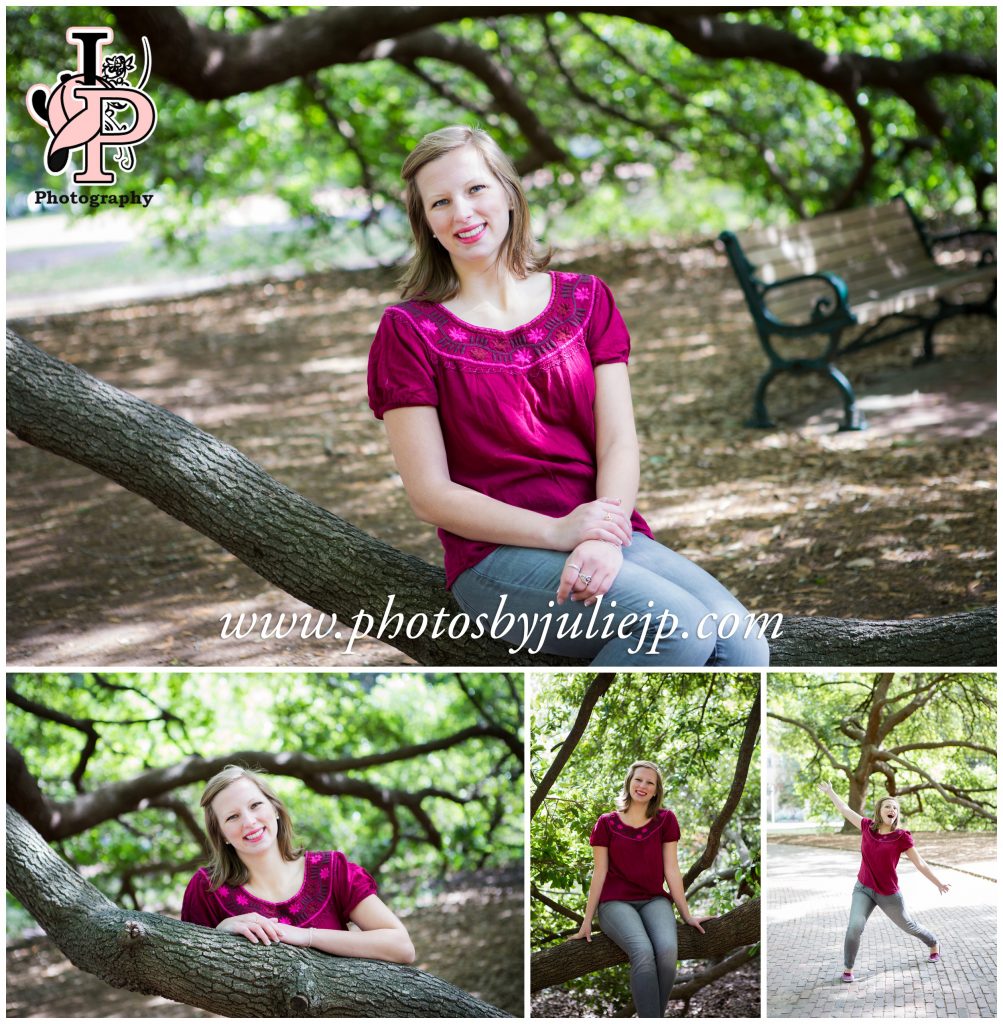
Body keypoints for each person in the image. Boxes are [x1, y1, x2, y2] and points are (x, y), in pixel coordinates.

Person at [367, 124, 770, 667]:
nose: (462, 212)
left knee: (744, 644)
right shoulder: (409, 330)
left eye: (475, 189)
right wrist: (559, 532)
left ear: (509, 192)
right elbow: (429, 495)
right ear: (427, 225)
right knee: (677, 630)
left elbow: (618, 442)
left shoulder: (586, 299)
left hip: (606, 530)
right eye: (440, 202)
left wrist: (602, 535)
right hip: (496, 557)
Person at [181, 765, 415, 963]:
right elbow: (189, 978)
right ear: (221, 834)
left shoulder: (331, 871)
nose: (249, 821)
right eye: (232, 817)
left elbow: (402, 947)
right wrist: (221, 935)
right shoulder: (206, 890)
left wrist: (306, 936)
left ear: (275, 809)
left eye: (255, 806)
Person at [571, 761, 712, 1017]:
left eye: (650, 782)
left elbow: (671, 869)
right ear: (629, 782)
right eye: (638, 780)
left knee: (668, 951)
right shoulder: (606, 823)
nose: (643, 786)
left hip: (653, 899)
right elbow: (599, 873)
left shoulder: (666, 820)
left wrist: (687, 915)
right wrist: (586, 922)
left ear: (657, 790)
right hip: (615, 903)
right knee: (643, 951)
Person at [818, 781, 947, 983]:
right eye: (888, 806)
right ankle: (848, 969)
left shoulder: (901, 837)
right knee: (854, 926)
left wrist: (938, 882)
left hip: (888, 894)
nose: (892, 810)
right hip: (863, 889)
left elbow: (920, 863)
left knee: (909, 926)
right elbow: (844, 809)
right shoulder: (866, 827)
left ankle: (933, 943)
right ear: (879, 810)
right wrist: (830, 791)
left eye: (895, 808)